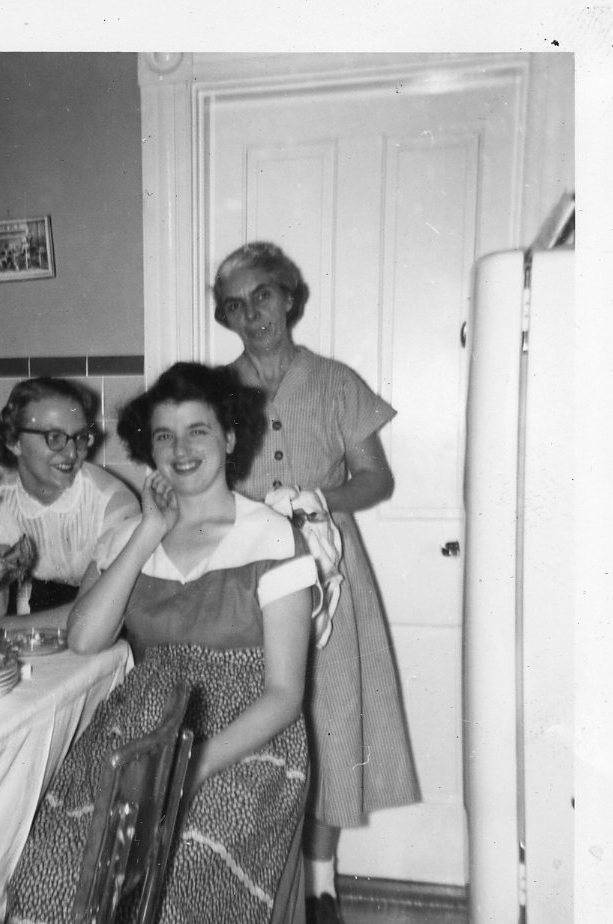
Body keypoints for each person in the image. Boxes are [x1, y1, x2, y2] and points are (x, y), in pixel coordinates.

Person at [7, 363, 319, 923]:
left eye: (198, 430)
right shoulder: (134, 533)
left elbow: (284, 696)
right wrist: (149, 530)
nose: (180, 449)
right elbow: (83, 639)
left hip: (242, 743)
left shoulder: (271, 536)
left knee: (179, 871)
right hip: (140, 729)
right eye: (164, 435)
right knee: (52, 865)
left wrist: (192, 767)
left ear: (228, 437)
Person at [213, 241, 420, 924]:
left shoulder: (334, 382)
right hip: (249, 573)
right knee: (258, 714)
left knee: (326, 718)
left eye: (262, 296)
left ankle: (321, 886)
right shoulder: (215, 391)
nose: (252, 314)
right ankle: (254, 878)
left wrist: (320, 500)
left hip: (330, 568)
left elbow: (376, 478)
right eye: (235, 305)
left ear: (288, 295)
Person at [0, 377, 139, 621]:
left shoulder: (114, 505)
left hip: (107, 632)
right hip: (38, 623)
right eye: (55, 438)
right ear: (13, 441)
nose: (72, 453)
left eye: (80, 437)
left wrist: (6, 629)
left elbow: (92, 616)